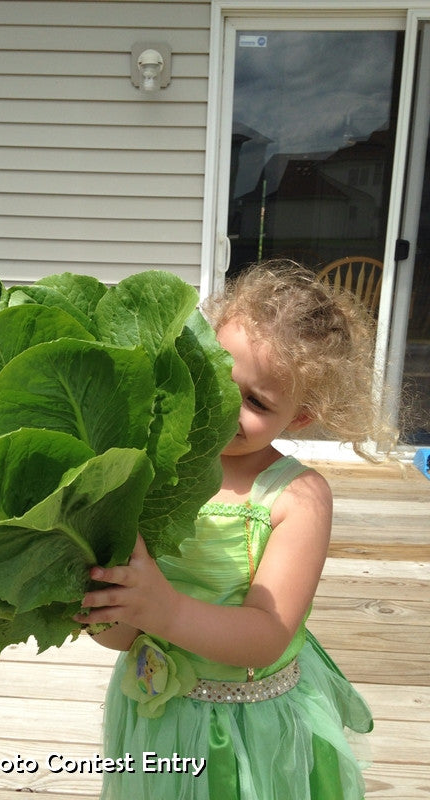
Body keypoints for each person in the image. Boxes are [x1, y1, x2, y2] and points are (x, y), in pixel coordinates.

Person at [75, 261, 378, 800]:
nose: (224, 407)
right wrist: (98, 605)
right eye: (216, 378)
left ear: (301, 416)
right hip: (155, 713)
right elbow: (126, 634)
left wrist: (162, 610)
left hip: (246, 731)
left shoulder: (295, 497)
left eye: (257, 402)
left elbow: (267, 635)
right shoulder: (148, 470)